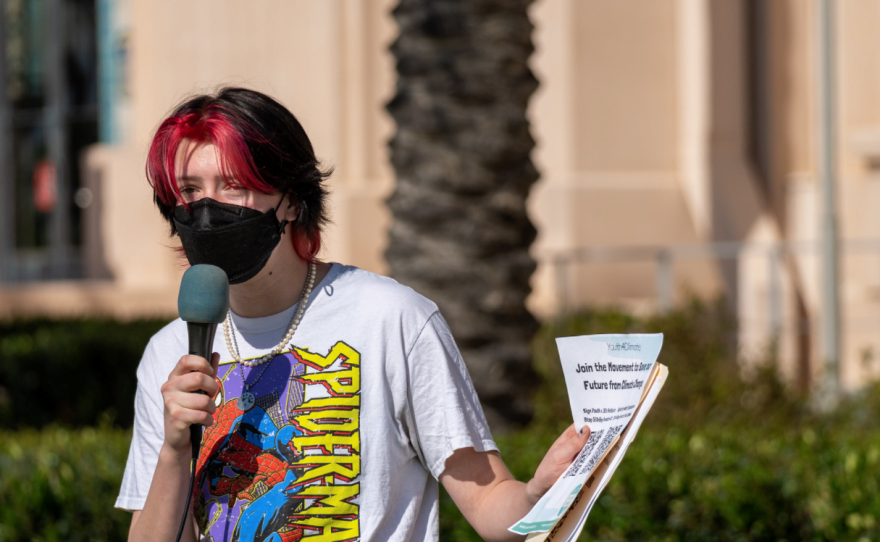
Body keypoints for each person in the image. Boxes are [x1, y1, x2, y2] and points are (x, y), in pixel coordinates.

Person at [115, 87, 590, 542]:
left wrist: (537, 495)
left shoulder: (392, 319)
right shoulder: (170, 351)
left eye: (234, 185)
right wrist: (176, 449)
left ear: (292, 202)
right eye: (190, 190)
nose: (208, 209)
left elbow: (488, 503)